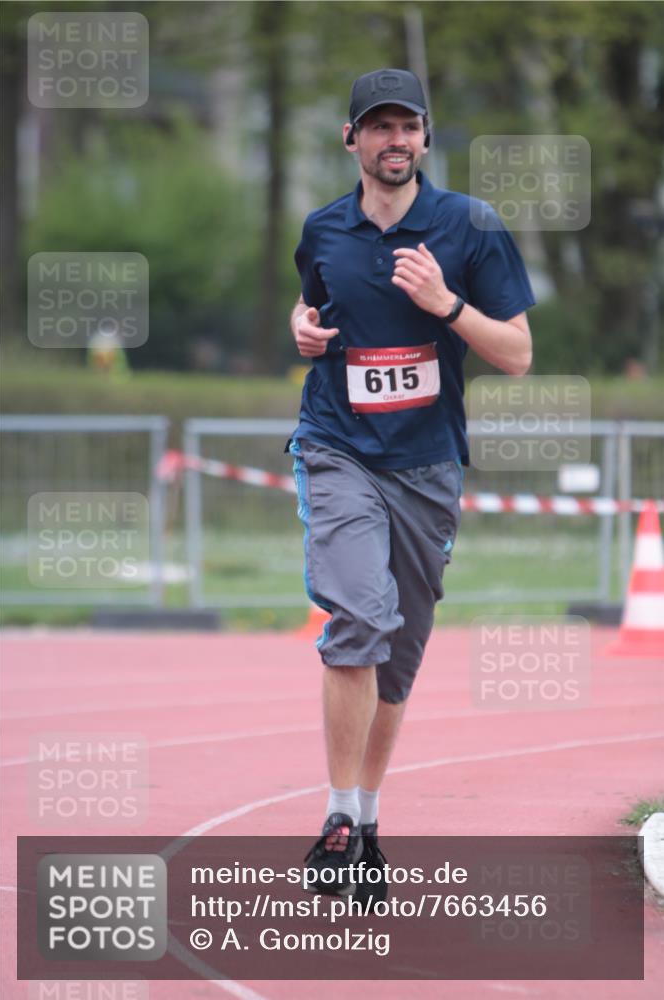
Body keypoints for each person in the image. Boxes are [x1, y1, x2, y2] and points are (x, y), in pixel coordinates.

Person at [287, 68, 535, 898]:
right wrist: (303, 327)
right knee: (358, 614)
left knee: (396, 653)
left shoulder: (469, 226)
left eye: (408, 127)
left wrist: (444, 304)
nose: (393, 140)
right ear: (351, 140)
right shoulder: (323, 227)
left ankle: (364, 818)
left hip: (426, 464)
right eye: (376, 126)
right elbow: (313, 303)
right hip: (337, 447)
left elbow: (517, 354)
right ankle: (334, 816)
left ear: (425, 138)